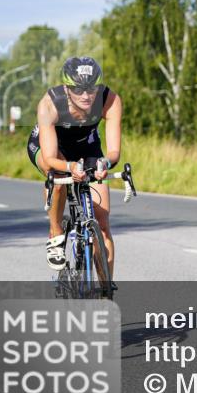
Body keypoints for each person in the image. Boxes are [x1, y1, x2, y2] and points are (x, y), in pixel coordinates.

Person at [26, 57, 122, 282]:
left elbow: (114, 152)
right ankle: (56, 233)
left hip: (87, 147)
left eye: (91, 89)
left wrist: (105, 163)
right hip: (50, 148)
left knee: (103, 223)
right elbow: (50, 158)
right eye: (78, 89)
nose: (86, 95)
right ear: (67, 88)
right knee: (58, 176)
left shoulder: (110, 99)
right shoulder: (50, 103)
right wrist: (70, 167)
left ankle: (105, 291)